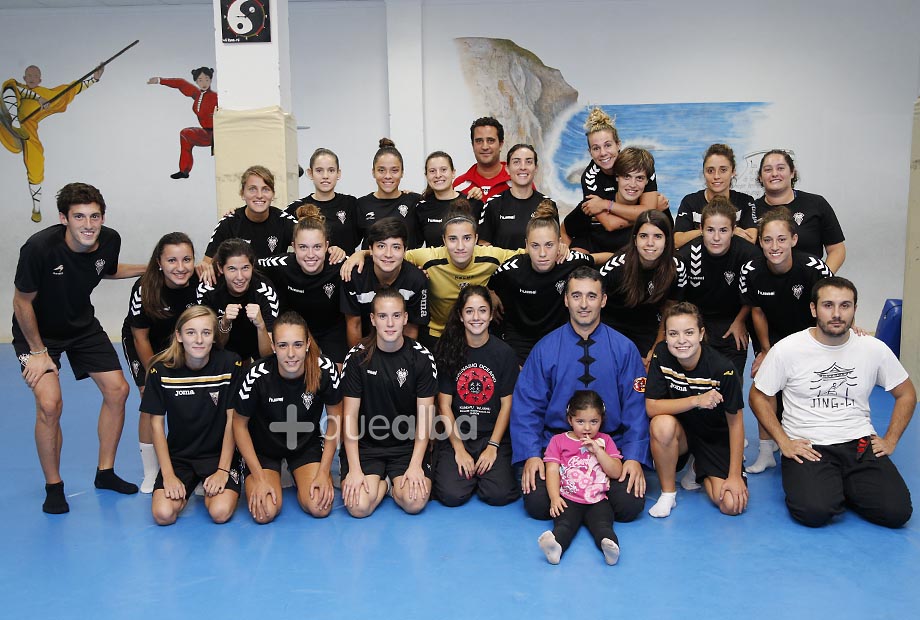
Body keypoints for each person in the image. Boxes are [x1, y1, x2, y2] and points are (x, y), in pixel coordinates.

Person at [12, 182, 143, 514]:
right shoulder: (39, 248)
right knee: (50, 405)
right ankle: (53, 486)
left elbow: (108, 270)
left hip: (82, 326)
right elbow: (21, 302)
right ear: (63, 218)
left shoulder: (109, 239)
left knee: (118, 390)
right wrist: (39, 351)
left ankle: (106, 472)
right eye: (80, 216)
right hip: (37, 333)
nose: (89, 224)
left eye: (95, 216)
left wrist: (152, 266)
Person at [749, 277, 914, 528]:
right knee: (814, 512)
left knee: (896, 513)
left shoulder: (873, 349)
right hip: (809, 445)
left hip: (858, 442)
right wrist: (783, 442)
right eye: (828, 305)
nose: (837, 314)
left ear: (855, 310)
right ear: (814, 309)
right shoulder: (788, 349)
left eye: (845, 306)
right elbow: (758, 395)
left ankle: (840, 484)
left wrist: (890, 440)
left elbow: (907, 393)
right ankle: (832, 485)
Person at [512, 267, 650, 523]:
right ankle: (591, 500)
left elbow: (636, 408)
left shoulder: (624, 349)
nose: (584, 304)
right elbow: (527, 407)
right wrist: (532, 454)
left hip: (610, 450)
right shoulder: (545, 349)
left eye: (591, 296)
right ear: (566, 300)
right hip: (557, 450)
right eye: (576, 296)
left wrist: (633, 458)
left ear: (604, 300)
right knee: (538, 504)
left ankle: (587, 500)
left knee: (629, 506)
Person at [740, 207, 832, 473]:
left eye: (781, 239)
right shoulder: (751, 270)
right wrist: (766, 350)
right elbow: (756, 310)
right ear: (760, 242)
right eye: (767, 240)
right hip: (772, 337)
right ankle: (767, 450)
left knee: (809, 384)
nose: (774, 246)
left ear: (794, 239)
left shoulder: (814, 268)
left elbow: (829, 305)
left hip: (809, 336)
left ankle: (817, 436)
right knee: (763, 381)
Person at [232, 312, 343, 523]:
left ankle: (295, 472)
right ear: (273, 346)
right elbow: (239, 426)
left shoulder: (324, 370)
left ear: (308, 344)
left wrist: (323, 471)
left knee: (320, 507)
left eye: (298, 344)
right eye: (283, 345)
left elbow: (335, 419)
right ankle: (274, 473)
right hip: (264, 449)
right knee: (264, 513)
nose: (291, 353)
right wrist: (259, 476)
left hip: (304, 445)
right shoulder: (257, 375)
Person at [340, 288, 438, 517]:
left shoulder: (421, 357)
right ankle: (381, 486)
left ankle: (393, 488)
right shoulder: (357, 357)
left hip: (406, 447)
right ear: (373, 320)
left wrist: (415, 465)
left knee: (415, 502)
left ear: (405, 318)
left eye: (396, 315)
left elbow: (425, 419)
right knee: (358, 507)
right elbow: (349, 417)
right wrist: (354, 469)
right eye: (383, 316)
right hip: (367, 446)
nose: (390, 323)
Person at [645, 303, 748, 518]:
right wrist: (696, 400)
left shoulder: (723, 369)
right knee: (661, 424)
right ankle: (668, 494)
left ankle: (699, 466)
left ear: (701, 334)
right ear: (665, 336)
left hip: (714, 438)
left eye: (689, 332)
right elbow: (652, 407)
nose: (681, 340)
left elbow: (736, 423)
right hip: (681, 433)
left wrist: (735, 475)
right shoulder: (661, 354)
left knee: (731, 505)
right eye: (673, 333)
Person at [144, 306, 243, 525]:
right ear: (179, 336)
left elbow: (232, 421)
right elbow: (157, 426)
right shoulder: (160, 370)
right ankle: (193, 482)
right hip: (180, 456)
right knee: (163, 514)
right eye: (191, 333)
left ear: (214, 336)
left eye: (206, 333)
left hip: (218, 455)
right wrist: (169, 475)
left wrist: (222, 470)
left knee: (220, 512)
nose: (199, 340)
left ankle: (210, 481)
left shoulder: (230, 364)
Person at [122, 232, 200, 493]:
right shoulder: (145, 288)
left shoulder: (201, 283)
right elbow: (139, 336)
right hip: (145, 343)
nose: (180, 267)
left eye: (186, 259)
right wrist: (154, 375)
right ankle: (151, 471)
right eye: (172, 260)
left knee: (193, 396)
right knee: (151, 400)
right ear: (159, 262)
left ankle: (195, 465)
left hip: (183, 342)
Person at [432, 286, 520, 507]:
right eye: (469, 311)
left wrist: (492, 447)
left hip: (492, 436)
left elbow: (507, 404)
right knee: (451, 495)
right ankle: (468, 474)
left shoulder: (504, 353)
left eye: (482, 310)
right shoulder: (447, 350)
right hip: (459, 435)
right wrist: (459, 450)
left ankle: (484, 474)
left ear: (491, 315)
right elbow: (444, 405)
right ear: (461, 316)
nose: (476, 317)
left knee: (498, 495)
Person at [490, 201, 595, 364]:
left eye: (549, 245)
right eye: (535, 246)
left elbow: (595, 260)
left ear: (559, 243)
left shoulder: (571, 261)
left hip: (558, 337)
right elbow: (490, 284)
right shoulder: (511, 269)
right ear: (526, 245)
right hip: (520, 338)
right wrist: (491, 295)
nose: (542, 253)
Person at [1, 64, 104, 222]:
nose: (32, 79)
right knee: (10, 85)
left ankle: (36, 208)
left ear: (40, 79)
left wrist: (94, 79)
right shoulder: (17, 87)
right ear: (24, 78)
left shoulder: (47, 94)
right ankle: (15, 121)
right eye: (29, 76)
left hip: (26, 132)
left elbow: (72, 89)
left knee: (36, 165)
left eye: (35, 76)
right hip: (6, 124)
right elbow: (14, 90)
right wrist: (37, 99)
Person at [563, 108, 668, 254]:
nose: (603, 153)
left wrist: (606, 204)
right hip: (596, 235)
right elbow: (611, 224)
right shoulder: (590, 176)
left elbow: (647, 211)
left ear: (618, 144)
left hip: (626, 237)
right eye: (596, 148)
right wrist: (651, 211)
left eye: (608, 145)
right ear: (590, 152)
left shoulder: (640, 165)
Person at [537, 390, 623, 566]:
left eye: (594, 422)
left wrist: (599, 451)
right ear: (570, 420)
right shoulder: (558, 441)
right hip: (569, 499)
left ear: (602, 420)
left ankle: (610, 549)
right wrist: (554, 498)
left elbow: (616, 472)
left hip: (598, 500)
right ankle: (556, 548)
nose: (587, 428)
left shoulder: (605, 440)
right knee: (564, 526)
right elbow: (552, 471)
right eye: (580, 422)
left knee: (603, 526)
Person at [678, 197, 758, 380]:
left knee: (731, 390)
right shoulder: (686, 255)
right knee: (698, 388)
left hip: (733, 323)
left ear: (733, 230)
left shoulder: (749, 254)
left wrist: (740, 321)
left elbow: (754, 296)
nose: (716, 237)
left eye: (723, 230)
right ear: (700, 229)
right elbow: (676, 301)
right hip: (698, 324)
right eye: (710, 230)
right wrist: (691, 330)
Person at [258, 205, 349, 365]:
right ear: (293, 246)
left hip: (331, 331)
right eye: (303, 247)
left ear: (327, 246)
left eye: (317, 247)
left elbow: (374, 263)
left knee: (336, 376)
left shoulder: (339, 263)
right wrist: (212, 265)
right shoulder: (281, 264)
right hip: (294, 331)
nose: (310, 255)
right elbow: (245, 264)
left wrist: (361, 254)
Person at [599, 209, 687, 368]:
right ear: (634, 239)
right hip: (611, 327)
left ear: (667, 240)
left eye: (658, 236)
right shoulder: (616, 267)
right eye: (644, 236)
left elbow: (669, 309)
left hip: (647, 329)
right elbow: (592, 305)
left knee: (649, 373)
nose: (650, 243)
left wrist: (656, 348)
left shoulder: (677, 267)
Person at [339, 218, 429, 347]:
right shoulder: (354, 277)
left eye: (396, 247)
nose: (388, 254)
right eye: (381, 246)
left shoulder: (417, 280)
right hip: (364, 343)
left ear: (405, 250)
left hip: (399, 345)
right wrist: (359, 362)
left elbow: (410, 329)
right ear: (370, 249)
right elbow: (354, 324)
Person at [200, 165, 298, 283]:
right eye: (252, 189)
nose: (259, 195)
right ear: (242, 193)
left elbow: (311, 244)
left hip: (275, 288)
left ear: (273, 194)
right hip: (239, 289)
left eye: (266, 189)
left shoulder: (284, 220)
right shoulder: (229, 223)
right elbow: (206, 263)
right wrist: (207, 268)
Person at [752, 150, 846, 272]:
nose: (774, 174)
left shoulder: (816, 203)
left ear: (792, 173)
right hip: (764, 287)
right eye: (768, 170)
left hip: (810, 285)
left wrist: (822, 280)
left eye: (780, 168)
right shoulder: (751, 209)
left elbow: (837, 250)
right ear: (760, 177)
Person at [198, 239, 279, 363]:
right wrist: (224, 322)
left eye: (245, 268)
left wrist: (261, 325)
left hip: (254, 351)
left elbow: (268, 356)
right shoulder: (208, 289)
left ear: (252, 266)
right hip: (219, 355)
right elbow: (206, 346)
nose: (240, 277)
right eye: (232, 269)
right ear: (220, 268)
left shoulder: (265, 291)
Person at [673, 143, 757, 248]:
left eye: (723, 170)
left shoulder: (745, 201)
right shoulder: (690, 202)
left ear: (733, 171)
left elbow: (751, 239)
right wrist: (722, 230)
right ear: (704, 173)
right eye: (710, 171)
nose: (716, 176)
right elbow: (677, 240)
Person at [478, 144, 557, 250]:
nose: (523, 167)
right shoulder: (493, 204)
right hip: (504, 266)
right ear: (507, 169)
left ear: (536, 168)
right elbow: (483, 246)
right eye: (516, 162)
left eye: (528, 162)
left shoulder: (548, 204)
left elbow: (555, 244)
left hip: (539, 266)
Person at [285, 147, 360, 253]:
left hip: (345, 268)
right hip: (310, 268)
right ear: (310, 173)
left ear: (338, 173)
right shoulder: (296, 208)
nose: (325, 176)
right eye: (319, 170)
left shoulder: (351, 204)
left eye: (331, 170)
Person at [147, 67, 217, 179]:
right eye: (200, 80)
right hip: (206, 133)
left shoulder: (216, 97)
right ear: (196, 81)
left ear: (210, 80)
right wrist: (160, 80)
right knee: (186, 134)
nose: (204, 83)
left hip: (217, 134)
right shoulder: (198, 95)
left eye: (207, 79)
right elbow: (181, 84)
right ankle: (184, 170)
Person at [355, 138, 423, 249]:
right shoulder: (361, 204)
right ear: (373, 172)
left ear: (402, 172)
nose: (388, 176)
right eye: (381, 170)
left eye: (394, 170)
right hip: (372, 265)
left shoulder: (414, 201)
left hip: (407, 265)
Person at [415, 151, 483, 246]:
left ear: (453, 173)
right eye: (432, 171)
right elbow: (414, 246)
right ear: (426, 176)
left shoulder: (473, 203)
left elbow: (484, 243)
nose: (438, 175)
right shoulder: (421, 208)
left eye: (443, 169)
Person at [453, 117, 511, 202]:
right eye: (479, 141)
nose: (485, 147)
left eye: (490, 140)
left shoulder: (517, 181)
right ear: (473, 145)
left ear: (501, 144)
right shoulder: (459, 185)